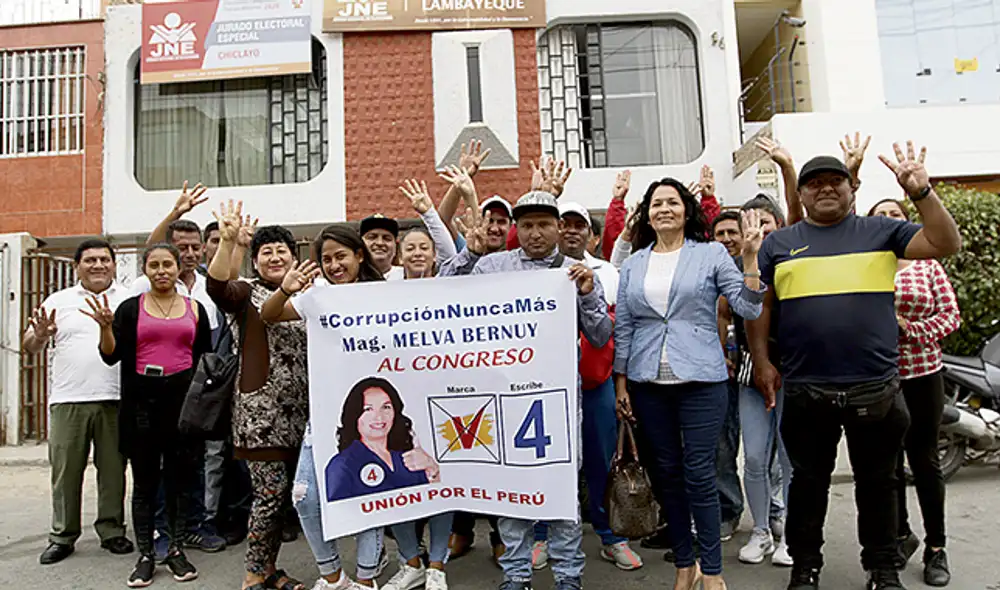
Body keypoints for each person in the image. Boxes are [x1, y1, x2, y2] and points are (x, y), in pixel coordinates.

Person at [750, 142, 962, 590]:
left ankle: (882, 569)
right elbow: (761, 308)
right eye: (814, 183)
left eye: (835, 181)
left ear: (852, 188)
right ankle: (806, 568)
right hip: (807, 390)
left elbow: (946, 242)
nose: (825, 188)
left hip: (876, 390)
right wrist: (764, 361)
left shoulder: (880, 232)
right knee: (808, 486)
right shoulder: (779, 244)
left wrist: (922, 192)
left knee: (879, 484)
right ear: (802, 194)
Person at [440, 190, 612, 590]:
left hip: (558, 399)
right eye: (528, 225)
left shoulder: (577, 269)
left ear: (559, 227)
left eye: (544, 225)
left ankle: (569, 576)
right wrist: (469, 253)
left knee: (563, 487)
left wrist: (587, 293)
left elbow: (601, 335)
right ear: (517, 229)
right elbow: (443, 294)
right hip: (505, 395)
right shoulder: (494, 265)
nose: (536, 233)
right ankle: (516, 574)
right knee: (511, 488)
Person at [614, 178, 765, 590]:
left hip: (702, 379)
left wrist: (750, 259)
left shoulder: (712, 253)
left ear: (686, 210)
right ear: (647, 213)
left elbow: (748, 307)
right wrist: (621, 383)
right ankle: (685, 566)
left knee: (701, 474)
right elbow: (625, 325)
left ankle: (712, 572)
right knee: (667, 476)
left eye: (673, 202)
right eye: (656, 203)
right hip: (647, 381)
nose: (665, 209)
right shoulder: (633, 264)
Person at [260, 225, 387, 590]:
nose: (334, 265)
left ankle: (366, 580)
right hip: (327, 411)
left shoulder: (385, 294)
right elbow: (269, 315)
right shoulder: (315, 297)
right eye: (326, 259)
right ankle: (333, 576)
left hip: (377, 411)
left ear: (359, 256)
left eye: (340, 256)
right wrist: (287, 287)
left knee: (371, 495)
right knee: (304, 496)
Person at [86, 243, 213, 587]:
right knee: (144, 483)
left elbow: (204, 359)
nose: (161, 271)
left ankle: (174, 549)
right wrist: (105, 327)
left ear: (178, 268)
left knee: (179, 482)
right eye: (154, 265)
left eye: (167, 264)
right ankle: (146, 554)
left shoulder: (195, 309)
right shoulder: (130, 309)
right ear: (145, 269)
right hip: (142, 403)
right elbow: (111, 357)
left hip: (183, 404)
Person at [531, 201, 642, 572]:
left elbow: (615, 331)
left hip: (595, 383)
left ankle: (611, 537)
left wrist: (620, 384)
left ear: (592, 236)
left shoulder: (608, 273)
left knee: (600, 460)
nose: (572, 231)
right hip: (545, 384)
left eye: (581, 225)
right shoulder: (535, 271)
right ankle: (542, 535)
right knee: (546, 461)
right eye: (565, 224)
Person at [205, 202, 310, 590]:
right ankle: (253, 576)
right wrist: (229, 241)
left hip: (302, 414)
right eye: (266, 251)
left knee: (284, 499)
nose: (275, 256)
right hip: (259, 415)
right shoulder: (245, 293)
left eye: (282, 250)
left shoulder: (308, 295)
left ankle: (269, 571)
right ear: (256, 261)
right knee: (269, 494)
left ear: (294, 257)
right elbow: (217, 284)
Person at [869, 198, 961, 587]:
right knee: (886, 466)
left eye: (894, 214)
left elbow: (951, 315)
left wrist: (911, 330)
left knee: (924, 462)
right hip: (880, 378)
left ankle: (936, 548)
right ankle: (902, 536)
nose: (888, 220)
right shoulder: (867, 266)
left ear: (905, 221)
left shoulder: (928, 265)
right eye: (879, 217)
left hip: (924, 374)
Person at [24, 240, 134, 565]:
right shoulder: (59, 301)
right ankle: (62, 535)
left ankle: (112, 531)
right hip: (68, 400)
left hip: (115, 398)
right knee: (66, 472)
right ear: (77, 267)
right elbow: (30, 345)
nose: (98, 265)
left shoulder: (128, 300)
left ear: (114, 264)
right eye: (90, 260)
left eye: (104, 259)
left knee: (114, 471)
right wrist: (41, 334)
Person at [139, 187, 225, 557]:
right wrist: (174, 212)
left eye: (195, 247)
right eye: (181, 247)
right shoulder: (153, 284)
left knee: (198, 462)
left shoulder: (211, 286)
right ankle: (160, 530)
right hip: (158, 391)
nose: (189, 253)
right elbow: (150, 247)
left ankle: (194, 526)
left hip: (199, 390)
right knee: (159, 465)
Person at [716, 197, 794, 568]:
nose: (758, 231)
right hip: (751, 373)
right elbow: (724, 311)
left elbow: (797, 212)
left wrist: (788, 171)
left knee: (790, 458)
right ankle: (761, 530)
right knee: (756, 457)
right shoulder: (736, 267)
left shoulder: (795, 259)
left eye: (766, 223)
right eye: (753, 223)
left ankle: (789, 535)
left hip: (794, 372)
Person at [709, 209, 747, 544]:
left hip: (759, 370)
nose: (726, 239)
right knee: (722, 446)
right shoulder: (709, 272)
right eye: (719, 234)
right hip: (720, 373)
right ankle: (729, 509)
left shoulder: (756, 265)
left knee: (766, 453)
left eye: (732, 232)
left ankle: (775, 514)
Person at [360, 214, 402, 280]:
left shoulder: (406, 276)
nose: (380, 243)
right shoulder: (352, 277)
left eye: (387, 238)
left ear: (396, 245)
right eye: (372, 237)